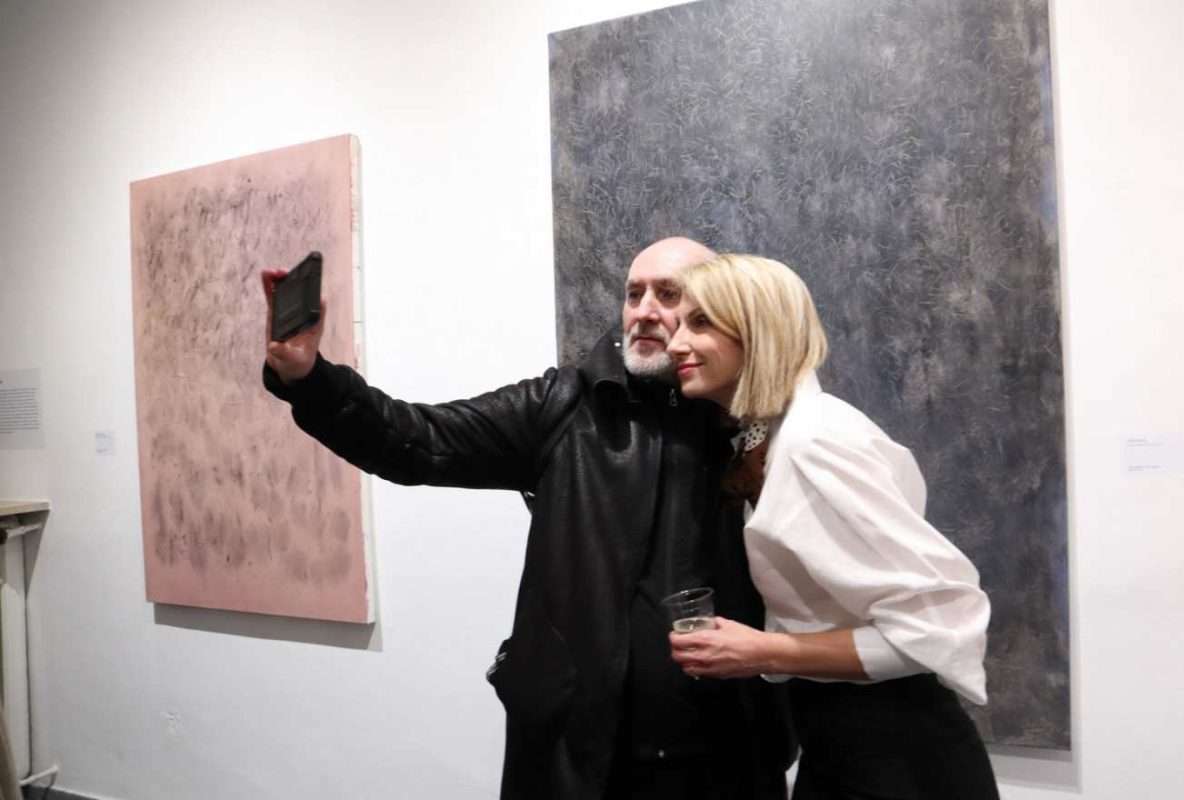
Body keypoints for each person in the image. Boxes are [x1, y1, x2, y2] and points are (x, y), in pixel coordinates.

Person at [261, 238, 792, 800]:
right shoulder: (564, 407)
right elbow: (415, 439)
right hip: (580, 756)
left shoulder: (749, 420)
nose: (644, 311)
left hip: (725, 752)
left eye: (668, 294)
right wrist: (309, 378)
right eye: (634, 294)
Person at [665, 254, 1000, 800]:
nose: (676, 343)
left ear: (759, 329)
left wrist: (762, 651)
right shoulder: (774, 434)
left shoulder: (814, 442)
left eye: (700, 323)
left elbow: (937, 627)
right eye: (680, 324)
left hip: (898, 759)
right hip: (841, 745)